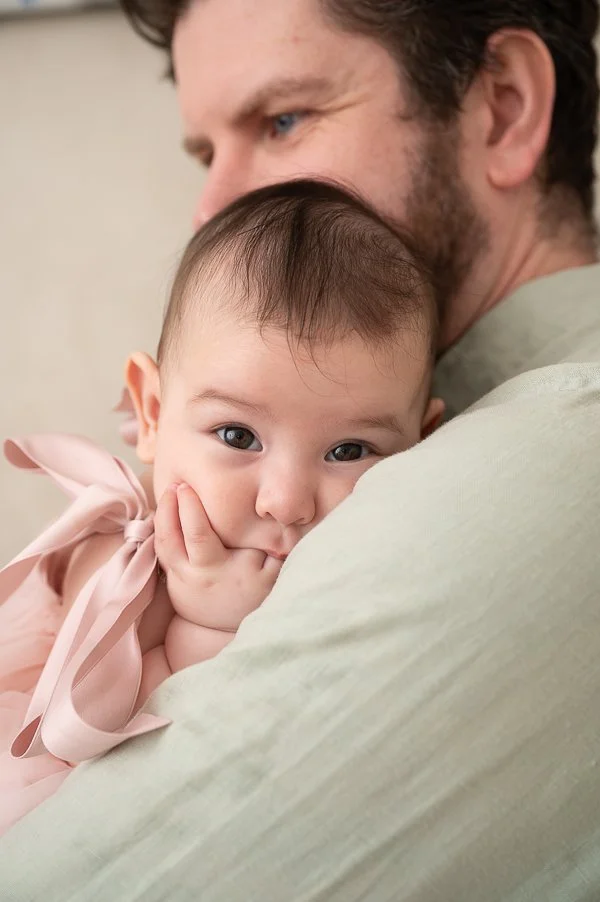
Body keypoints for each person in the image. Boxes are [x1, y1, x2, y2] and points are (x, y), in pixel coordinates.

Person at [1, 2, 600, 900]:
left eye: (282, 120)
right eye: (206, 154)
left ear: (505, 106)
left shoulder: (550, 462)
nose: (211, 206)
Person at [0, 179, 442, 835]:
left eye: (350, 450)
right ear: (152, 412)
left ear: (426, 445)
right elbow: (114, 743)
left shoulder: (375, 581)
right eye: (238, 437)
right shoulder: (118, 557)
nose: (287, 502)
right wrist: (206, 625)